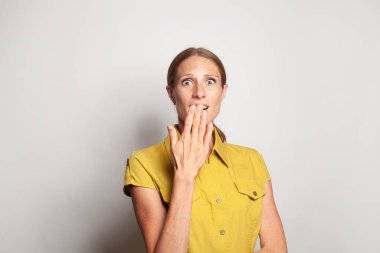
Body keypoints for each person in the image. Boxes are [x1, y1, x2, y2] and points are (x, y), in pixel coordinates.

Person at [123, 47, 287, 253]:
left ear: (223, 91)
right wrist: (184, 176)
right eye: (187, 82)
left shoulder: (252, 159)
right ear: (171, 93)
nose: (199, 92)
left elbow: (276, 248)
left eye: (210, 81)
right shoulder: (143, 163)